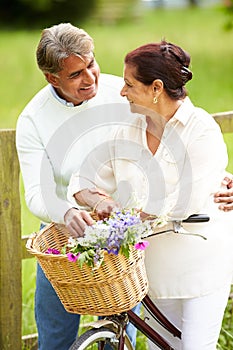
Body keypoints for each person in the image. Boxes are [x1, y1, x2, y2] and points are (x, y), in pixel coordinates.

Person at [68, 41, 233, 349]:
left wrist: (122, 223)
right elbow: (82, 179)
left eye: (129, 84)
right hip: (152, 273)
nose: (122, 91)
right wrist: (98, 200)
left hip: (201, 267)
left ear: (156, 88)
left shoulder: (201, 132)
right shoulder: (127, 130)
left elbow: (183, 202)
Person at [16, 22, 140, 350]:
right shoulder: (33, 120)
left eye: (92, 64)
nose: (90, 79)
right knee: (55, 337)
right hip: (64, 234)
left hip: (123, 231)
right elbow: (35, 192)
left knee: (121, 336)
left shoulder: (122, 93)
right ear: (51, 78)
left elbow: (171, 138)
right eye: (75, 75)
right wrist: (66, 211)